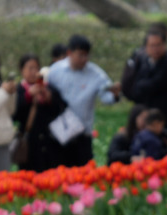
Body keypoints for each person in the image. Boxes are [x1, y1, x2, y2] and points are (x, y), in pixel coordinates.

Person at [47, 35, 119, 167]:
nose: (84, 59)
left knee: (83, 176)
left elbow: (107, 97)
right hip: (59, 133)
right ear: (69, 53)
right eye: (80, 55)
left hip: (82, 136)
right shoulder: (55, 71)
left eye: (87, 56)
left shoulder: (96, 74)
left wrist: (114, 95)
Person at [127, 27, 167, 140]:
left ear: (165, 45)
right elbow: (136, 88)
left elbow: (152, 85)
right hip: (148, 119)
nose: (155, 49)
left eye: (158, 45)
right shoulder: (145, 62)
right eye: (152, 45)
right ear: (146, 47)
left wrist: (142, 85)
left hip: (166, 119)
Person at [13, 53, 65, 173]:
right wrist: (28, 97)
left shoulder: (48, 88)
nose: (34, 72)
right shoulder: (19, 90)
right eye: (30, 68)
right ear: (22, 70)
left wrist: (49, 98)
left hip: (49, 141)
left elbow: (60, 109)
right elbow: (15, 115)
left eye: (36, 68)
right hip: (29, 142)